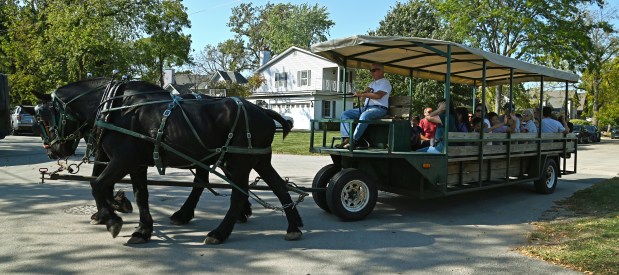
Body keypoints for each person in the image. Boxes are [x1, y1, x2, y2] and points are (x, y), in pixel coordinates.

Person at [338, 63, 392, 148]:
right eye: (371, 70)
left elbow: (378, 96)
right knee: (345, 114)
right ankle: (347, 139)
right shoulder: (371, 84)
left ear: (381, 71)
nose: (371, 72)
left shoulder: (385, 82)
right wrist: (360, 95)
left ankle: (354, 141)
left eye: (374, 70)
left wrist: (363, 94)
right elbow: (363, 96)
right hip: (366, 108)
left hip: (379, 109)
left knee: (364, 115)